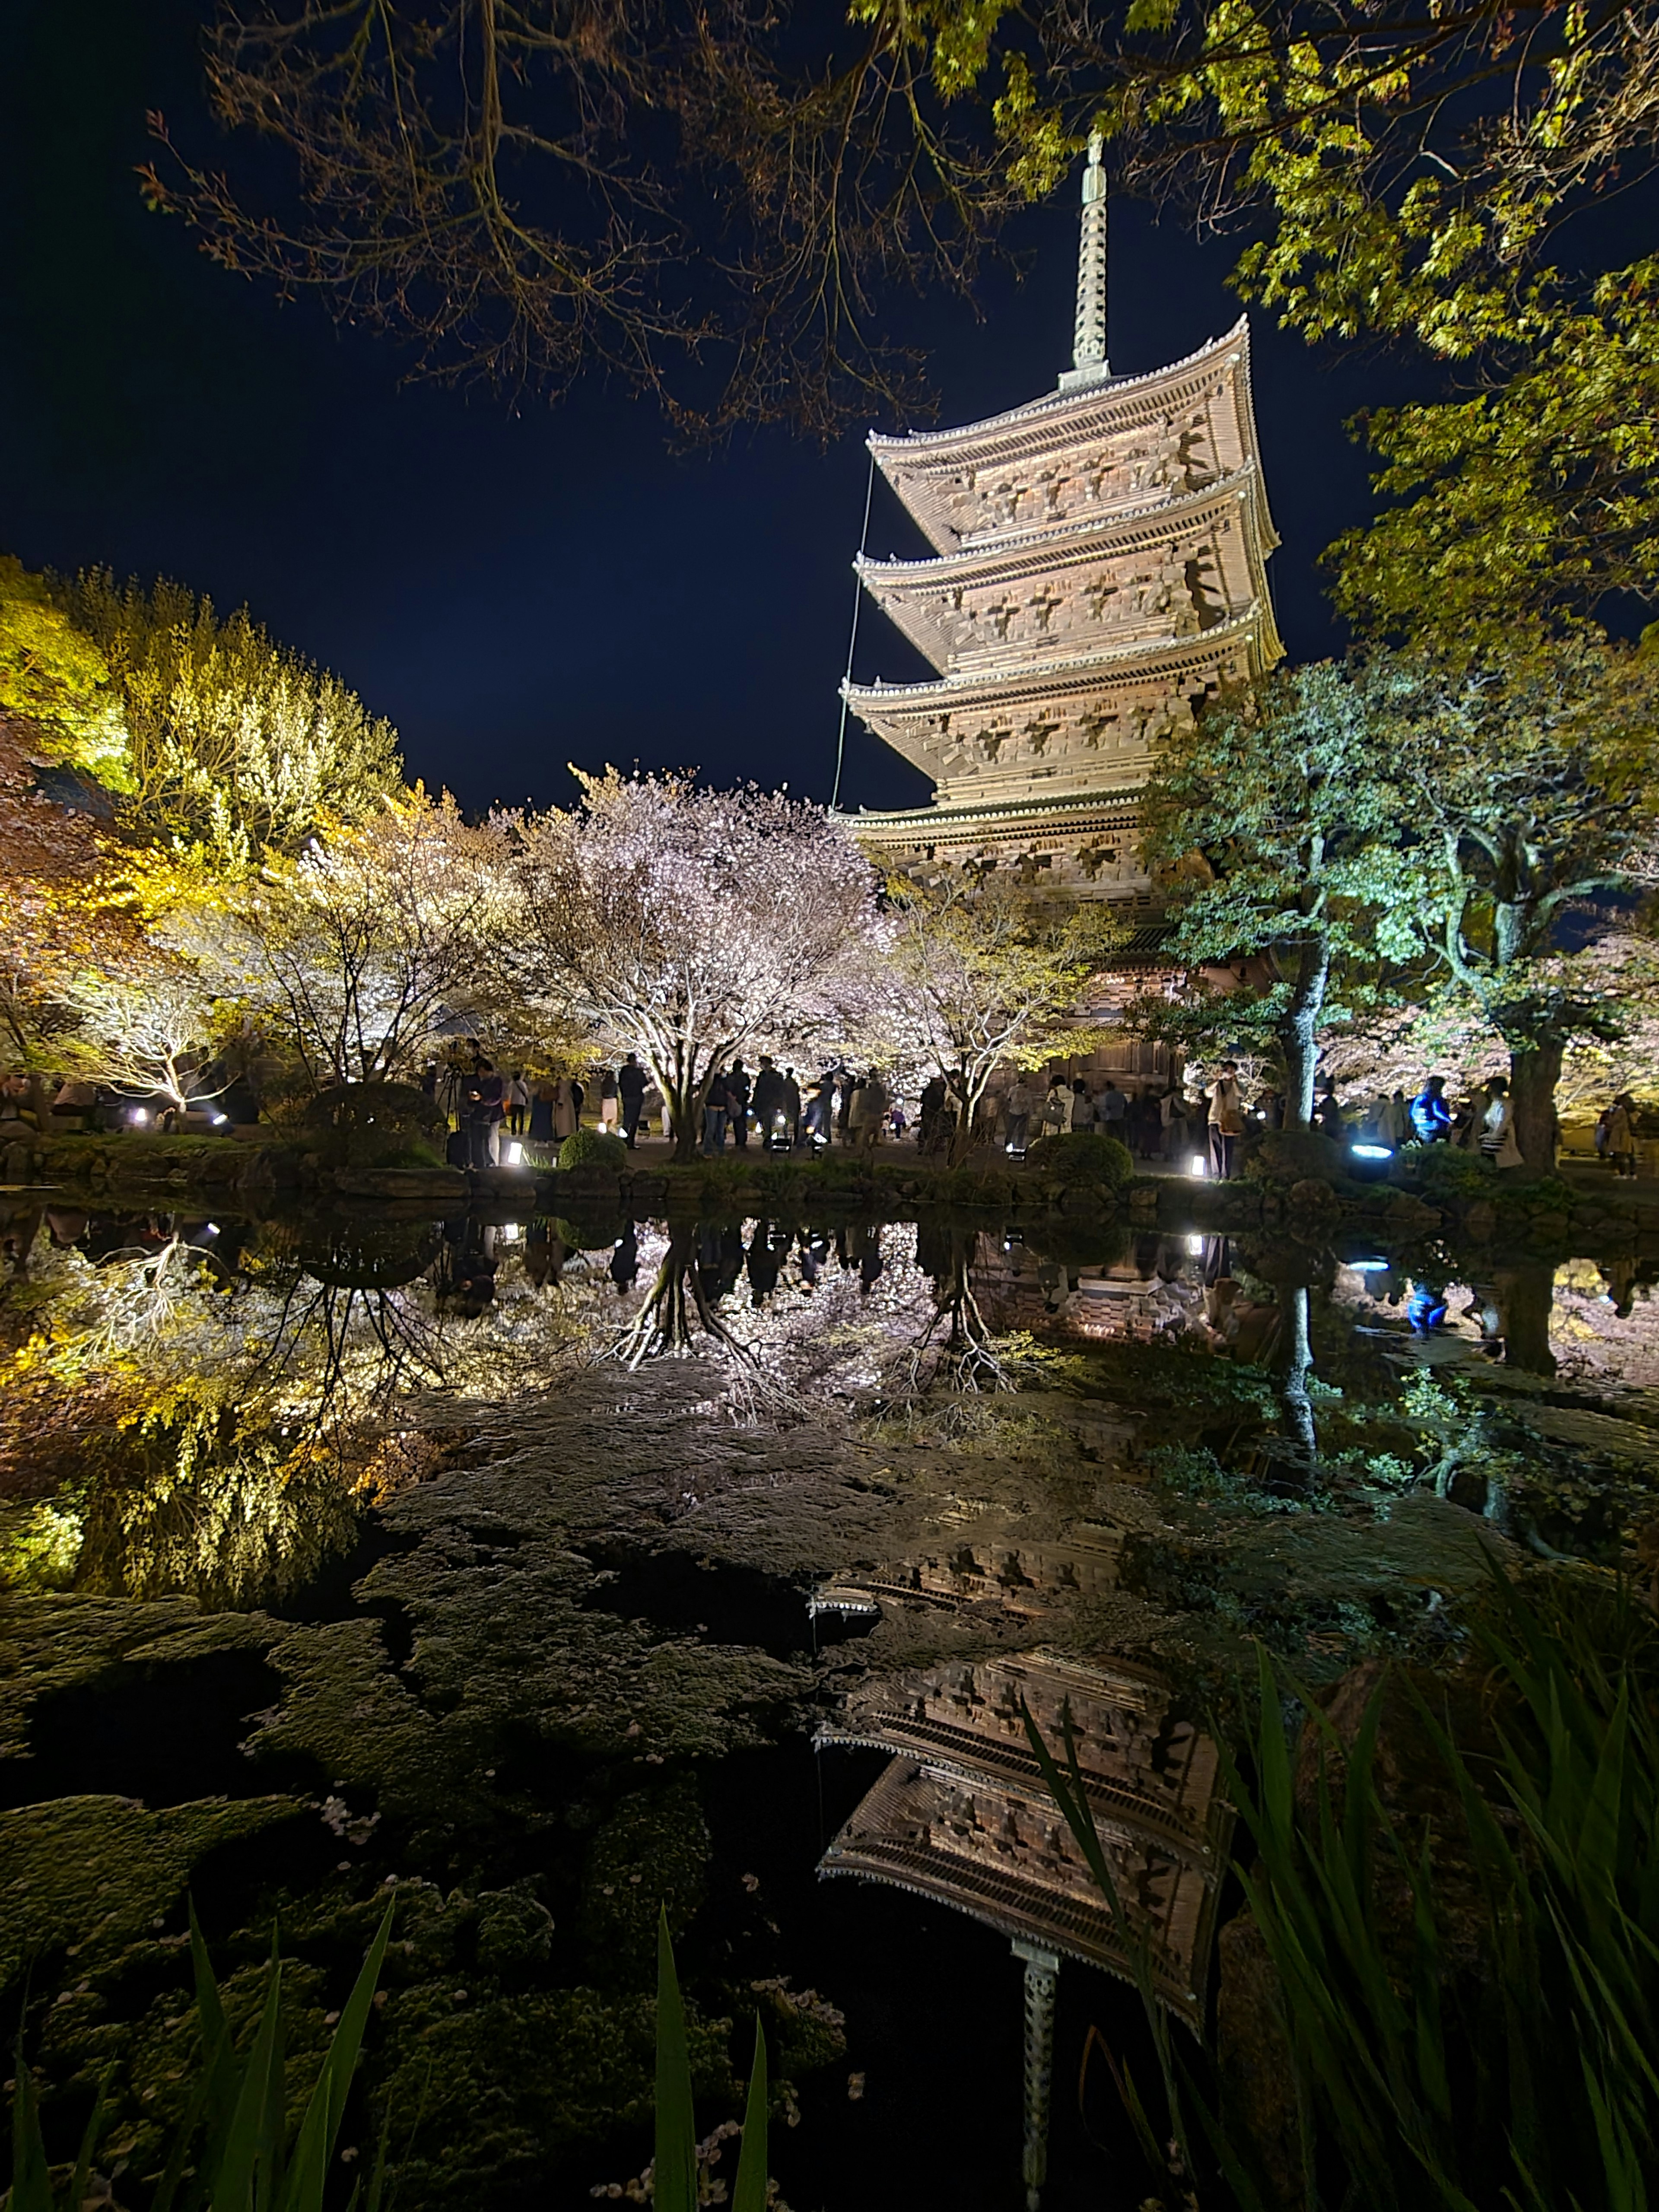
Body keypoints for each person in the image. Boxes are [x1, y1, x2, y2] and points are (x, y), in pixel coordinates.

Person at [1474, 1075, 1522, 1169]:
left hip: (1500, 1138)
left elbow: (1503, 1122)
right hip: (1491, 1136)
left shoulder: (1505, 1104)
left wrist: (1494, 1136)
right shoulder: (1494, 1104)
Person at [1208, 1060, 1245, 1179]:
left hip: (1230, 1120)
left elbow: (1241, 1094)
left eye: (1232, 1070)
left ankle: (1225, 1175)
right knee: (1215, 1147)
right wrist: (1217, 1079)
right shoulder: (1217, 1084)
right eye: (1227, 1069)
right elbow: (1208, 1093)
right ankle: (1216, 1174)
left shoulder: (1237, 1085)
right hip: (1215, 1118)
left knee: (1228, 1148)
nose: (1229, 1072)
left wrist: (1234, 1081)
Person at [752, 1056, 784, 1148]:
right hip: (762, 1103)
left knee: (769, 1121)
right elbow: (758, 1090)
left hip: (771, 1103)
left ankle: (768, 1139)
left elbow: (780, 1091)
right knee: (763, 1121)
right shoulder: (762, 1075)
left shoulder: (776, 1076)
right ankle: (767, 1138)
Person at [1409, 1076, 1452, 1144]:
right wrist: (1449, 1120)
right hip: (1433, 1126)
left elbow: (1412, 1113)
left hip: (1420, 1126)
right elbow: (1437, 1111)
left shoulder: (1420, 1097)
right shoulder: (1434, 1097)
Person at [617, 1053, 648, 1147]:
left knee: (626, 1120)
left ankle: (624, 1141)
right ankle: (631, 1142)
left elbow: (621, 1084)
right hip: (636, 1098)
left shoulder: (624, 1071)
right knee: (634, 1121)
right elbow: (644, 1083)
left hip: (627, 1098)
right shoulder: (638, 1072)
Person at [1606, 1091, 1638, 1179]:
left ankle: (1622, 1173)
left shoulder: (1620, 1110)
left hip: (1620, 1135)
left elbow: (1614, 1121)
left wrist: (1611, 1114)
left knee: (1620, 1154)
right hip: (1629, 1134)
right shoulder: (1631, 1111)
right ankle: (1633, 1174)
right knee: (1630, 1155)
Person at [1004, 1075, 1036, 1156]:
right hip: (1023, 1112)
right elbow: (1030, 1103)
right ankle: (1019, 1145)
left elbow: (1008, 1099)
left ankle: (1007, 1145)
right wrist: (1032, 1113)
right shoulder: (1027, 1092)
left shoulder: (1012, 1089)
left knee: (1011, 1129)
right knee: (1021, 1130)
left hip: (1013, 1111)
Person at [702, 1067, 732, 1154]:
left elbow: (729, 1088)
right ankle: (708, 1151)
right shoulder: (710, 1078)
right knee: (711, 1130)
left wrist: (724, 1077)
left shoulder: (725, 1079)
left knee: (720, 1131)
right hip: (712, 1105)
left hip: (722, 1106)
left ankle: (720, 1150)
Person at [859, 1071, 890, 1150]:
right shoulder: (877, 1087)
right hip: (872, 1111)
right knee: (870, 1130)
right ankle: (868, 1145)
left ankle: (868, 1146)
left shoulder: (872, 1087)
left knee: (873, 1130)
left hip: (874, 1111)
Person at [726, 1059, 752, 1148]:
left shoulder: (733, 1077)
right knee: (740, 1122)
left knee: (739, 1122)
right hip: (739, 1101)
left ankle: (740, 1142)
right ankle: (740, 1142)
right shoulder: (743, 1077)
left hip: (736, 1101)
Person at [528, 1079, 556, 1147]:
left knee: (541, 1121)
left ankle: (541, 1138)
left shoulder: (538, 1087)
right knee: (544, 1121)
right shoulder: (548, 1086)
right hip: (544, 1105)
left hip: (542, 1105)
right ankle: (543, 1139)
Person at [506, 1070, 530, 1136]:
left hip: (513, 1102)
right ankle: (521, 1131)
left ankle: (513, 1131)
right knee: (521, 1118)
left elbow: (509, 1093)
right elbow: (526, 1092)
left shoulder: (512, 1084)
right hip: (521, 1103)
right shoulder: (523, 1084)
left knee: (514, 1118)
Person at [597, 1067, 620, 1131]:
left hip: (606, 1100)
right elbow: (616, 1092)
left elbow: (602, 1091)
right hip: (613, 1100)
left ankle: (604, 1130)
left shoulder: (604, 1082)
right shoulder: (614, 1083)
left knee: (605, 1117)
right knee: (614, 1116)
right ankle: (612, 1129)